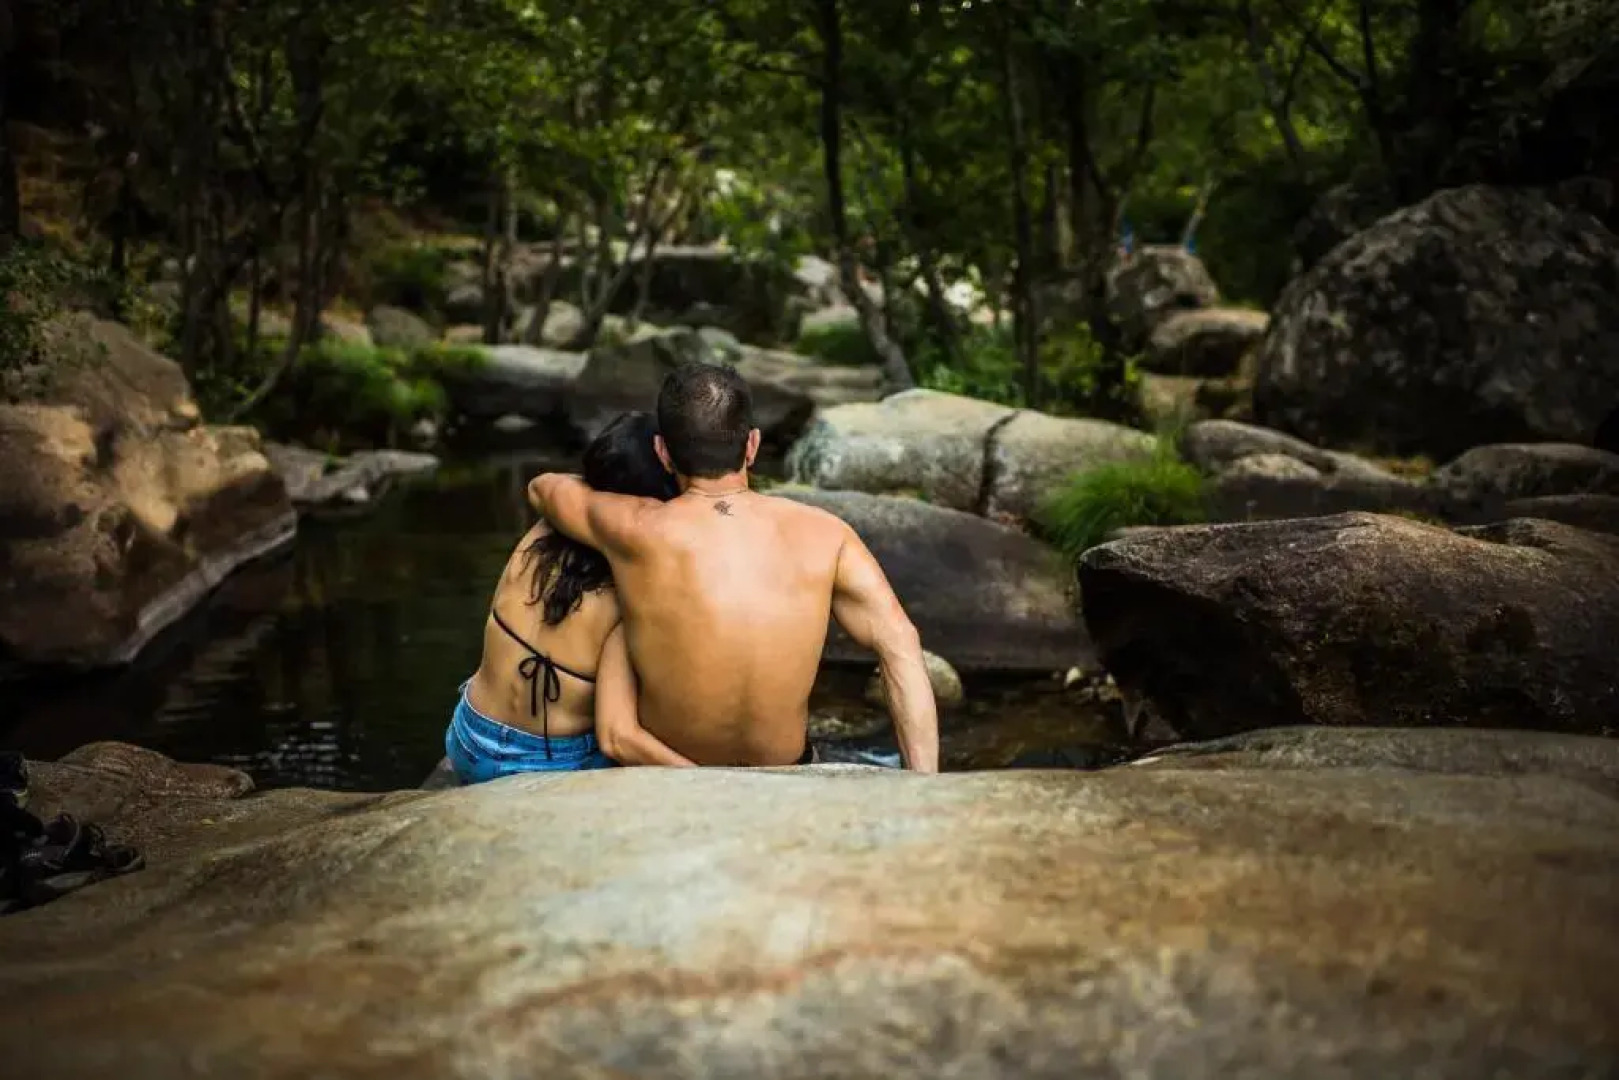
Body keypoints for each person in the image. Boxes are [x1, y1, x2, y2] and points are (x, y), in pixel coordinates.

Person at [529, 362, 940, 772]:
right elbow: (901, 643)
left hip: (671, 781)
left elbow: (543, 488)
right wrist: (924, 785)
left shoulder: (634, 528)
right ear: (752, 445)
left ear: (662, 452)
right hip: (787, 776)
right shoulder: (826, 534)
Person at [445, 411, 694, 783]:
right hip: (548, 763)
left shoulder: (544, 526)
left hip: (468, 738)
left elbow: (550, 483)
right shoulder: (631, 586)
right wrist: (713, 779)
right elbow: (618, 738)